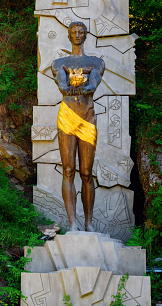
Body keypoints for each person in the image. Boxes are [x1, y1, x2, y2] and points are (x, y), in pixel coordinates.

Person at [50, 21, 105, 231]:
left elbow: (94, 84)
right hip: (67, 117)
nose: (78, 35)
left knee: (86, 172)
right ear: (68, 35)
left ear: (86, 35)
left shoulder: (96, 62)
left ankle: (89, 223)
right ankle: (73, 224)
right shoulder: (59, 62)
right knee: (67, 170)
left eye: (81, 31)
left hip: (87, 117)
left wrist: (81, 86)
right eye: (74, 32)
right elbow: (62, 85)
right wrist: (70, 87)